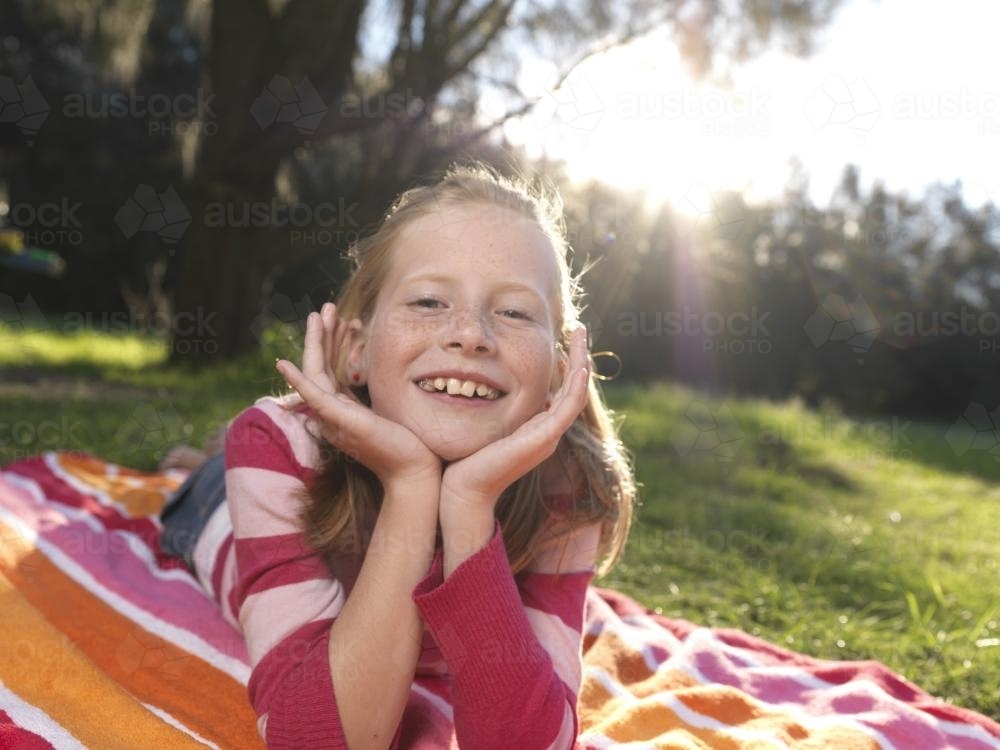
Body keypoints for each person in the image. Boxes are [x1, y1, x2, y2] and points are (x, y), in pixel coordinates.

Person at [158, 162, 637, 749]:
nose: (471, 334)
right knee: (202, 488)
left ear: (559, 374)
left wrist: (468, 506)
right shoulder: (279, 446)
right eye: (430, 301)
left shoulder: (571, 487)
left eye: (514, 312)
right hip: (225, 518)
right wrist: (412, 488)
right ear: (355, 351)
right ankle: (198, 465)